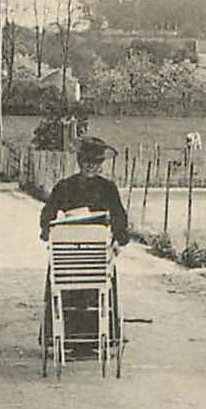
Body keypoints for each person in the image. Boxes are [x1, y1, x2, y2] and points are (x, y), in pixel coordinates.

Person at [39, 135, 129, 349]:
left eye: (96, 162)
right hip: (69, 249)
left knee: (101, 283)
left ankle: (101, 336)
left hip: (97, 249)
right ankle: (61, 336)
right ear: (79, 162)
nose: (91, 166)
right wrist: (47, 228)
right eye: (87, 161)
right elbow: (48, 212)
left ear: (101, 165)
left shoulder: (107, 188)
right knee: (61, 281)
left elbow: (119, 216)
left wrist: (118, 238)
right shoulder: (65, 186)